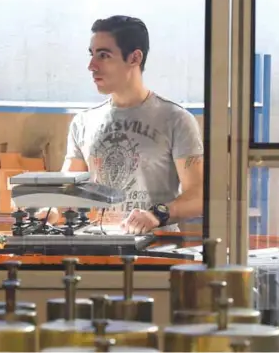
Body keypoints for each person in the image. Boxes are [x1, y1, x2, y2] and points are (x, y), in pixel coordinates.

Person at [37, 15, 204, 234]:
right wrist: (50, 210)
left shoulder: (176, 119)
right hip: (96, 249)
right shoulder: (83, 123)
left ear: (134, 58)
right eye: (92, 54)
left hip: (155, 253)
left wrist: (156, 215)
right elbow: (68, 188)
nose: (91, 66)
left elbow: (200, 195)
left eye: (103, 55)